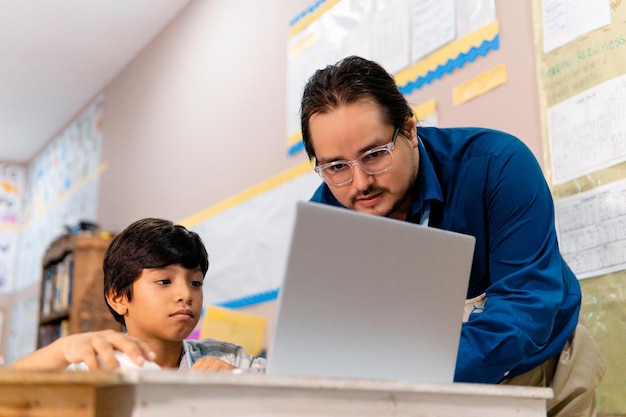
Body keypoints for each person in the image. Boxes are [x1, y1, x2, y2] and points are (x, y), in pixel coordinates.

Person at [300, 55, 604, 416]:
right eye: (336, 167)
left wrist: (417, 377)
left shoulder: (497, 166)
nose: (361, 182)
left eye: (375, 154)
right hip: (424, 389)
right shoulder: (327, 221)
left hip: (542, 364)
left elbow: (526, 305)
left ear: (410, 131)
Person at [11, 218, 265, 371]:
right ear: (118, 298)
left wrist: (239, 380)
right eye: (164, 281)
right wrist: (62, 349)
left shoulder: (227, 358)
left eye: (196, 283)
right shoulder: (90, 366)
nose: (185, 294)